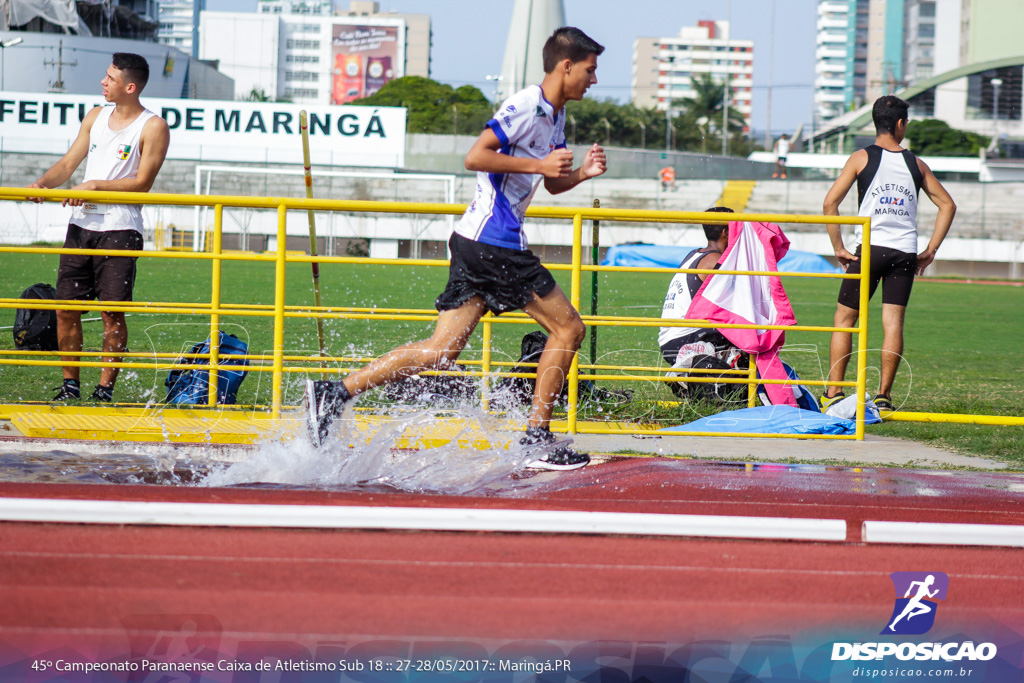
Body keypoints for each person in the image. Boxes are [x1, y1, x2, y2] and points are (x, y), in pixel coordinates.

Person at [305, 27, 607, 470]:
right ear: (566, 65)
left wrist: (579, 173)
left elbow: (552, 182)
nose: (594, 79)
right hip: (494, 242)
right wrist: (537, 163)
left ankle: (335, 392)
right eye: (590, 69)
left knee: (441, 352)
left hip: (476, 243)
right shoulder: (525, 105)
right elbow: (476, 156)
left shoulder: (557, 116)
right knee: (569, 330)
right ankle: (536, 439)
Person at [27, 53, 170, 403]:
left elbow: (143, 184)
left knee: (111, 313)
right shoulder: (95, 116)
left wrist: (93, 187)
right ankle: (70, 386)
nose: (103, 83)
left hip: (120, 228)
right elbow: (69, 162)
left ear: (130, 87)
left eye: (110, 78)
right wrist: (43, 184)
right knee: (65, 308)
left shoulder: (154, 126)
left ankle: (104, 390)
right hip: (81, 226)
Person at [821, 96, 955, 412]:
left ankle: (833, 392)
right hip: (905, 251)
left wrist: (838, 248)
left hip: (871, 247)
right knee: (892, 323)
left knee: (844, 319)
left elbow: (830, 203)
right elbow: (947, 204)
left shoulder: (860, 158)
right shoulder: (916, 164)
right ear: (899, 124)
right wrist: (930, 251)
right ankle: (883, 395)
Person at [658, 206, 737, 370]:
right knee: (746, 333)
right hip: (685, 340)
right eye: (737, 227)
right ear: (726, 232)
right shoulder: (715, 261)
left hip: (670, 340)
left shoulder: (695, 254)